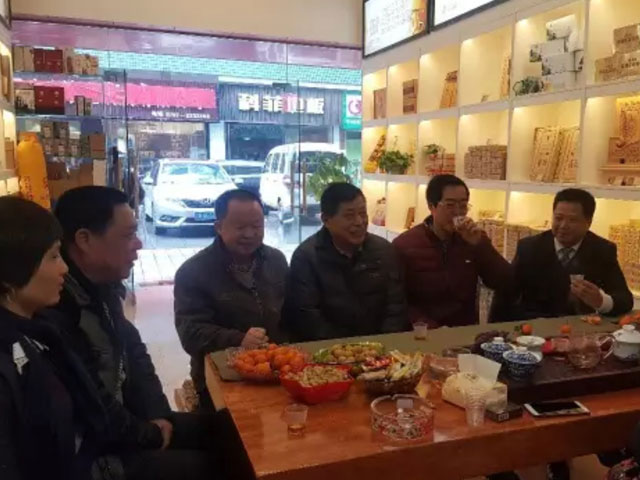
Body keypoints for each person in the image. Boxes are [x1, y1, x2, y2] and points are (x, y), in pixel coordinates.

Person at [48, 186, 229, 480]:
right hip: (97, 455)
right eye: (128, 235)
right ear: (84, 239)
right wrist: (149, 434)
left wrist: (157, 414)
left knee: (231, 432)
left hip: (126, 425)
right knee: (213, 467)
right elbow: (94, 406)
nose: (139, 244)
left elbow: (134, 353)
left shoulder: (102, 287)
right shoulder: (60, 308)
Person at [0, 196, 109, 480]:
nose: (64, 268)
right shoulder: (8, 358)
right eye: (53, 256)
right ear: (11, 272)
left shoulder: (42, 329)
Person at [174, 188, 288, 408]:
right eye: (240, 227)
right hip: (222, 376)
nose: (249, 234)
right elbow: (190, 333)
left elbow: (292, 312)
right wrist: (238, 339)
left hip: (276, 370)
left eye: (256, 226)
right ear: (219, 227)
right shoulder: (194, 272)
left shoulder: (276, 260)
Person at [285, 182, 409, 341]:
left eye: (363, 213)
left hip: (380, 345)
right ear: (326, 220)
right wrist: (347, 349)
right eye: (349, 216)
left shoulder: (384, 250)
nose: (359, 222)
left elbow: (396, 307)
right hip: (328, 348)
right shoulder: (306, 257)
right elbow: (308, 317)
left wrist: (382, 344)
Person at [492, 188, 633, 322]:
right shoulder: (529, 248)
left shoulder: (602, 250)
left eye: (572, 220)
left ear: (588, 222)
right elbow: (505, 295)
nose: (563, 225)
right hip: (535, 327)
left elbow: (625, 299)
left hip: (582, 328)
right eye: (558, 218)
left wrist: (602, 302)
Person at [392, 174, 513, 328]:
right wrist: (431, 328)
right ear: (432, 207)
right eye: (450, 205)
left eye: (463, 205)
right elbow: (398, 301)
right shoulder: (405, 245)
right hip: (423, 333)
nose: (458, 212)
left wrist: (480, 245)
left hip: (464, 332)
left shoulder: (473, 240)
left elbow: (506, 282)